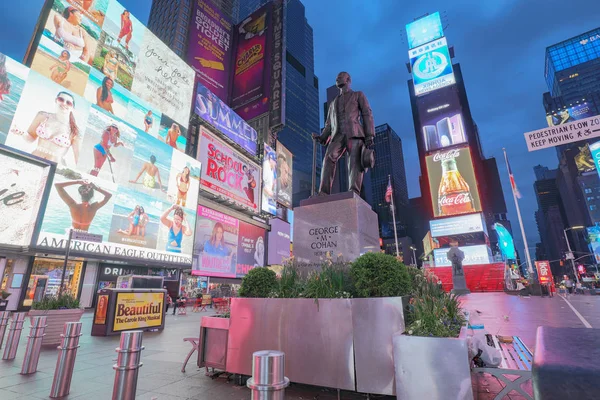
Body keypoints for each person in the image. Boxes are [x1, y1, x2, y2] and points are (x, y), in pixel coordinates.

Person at [313, 72, 375, 195]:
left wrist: (369, 134)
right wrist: (322, 137)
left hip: (355, 133)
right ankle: (323, 192)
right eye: (336, 78)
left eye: (340, 77)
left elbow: (367, 113)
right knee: (328, 158)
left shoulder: (358, 95)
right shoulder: (333, 103)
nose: (337, 79)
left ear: (348, 80)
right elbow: (329, 124)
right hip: (338, 135)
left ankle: (354, 191)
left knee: (354, 163)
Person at [15, 91, 81, 165]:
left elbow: (78, 159)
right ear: (56, 100)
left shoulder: (74, 131)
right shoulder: (43, 116)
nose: (64, 103)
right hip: (33, 160)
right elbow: (31, 139)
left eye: (68, 103)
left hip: (53, 168)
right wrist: (22, 133)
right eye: (61, 99)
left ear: (72, 108)